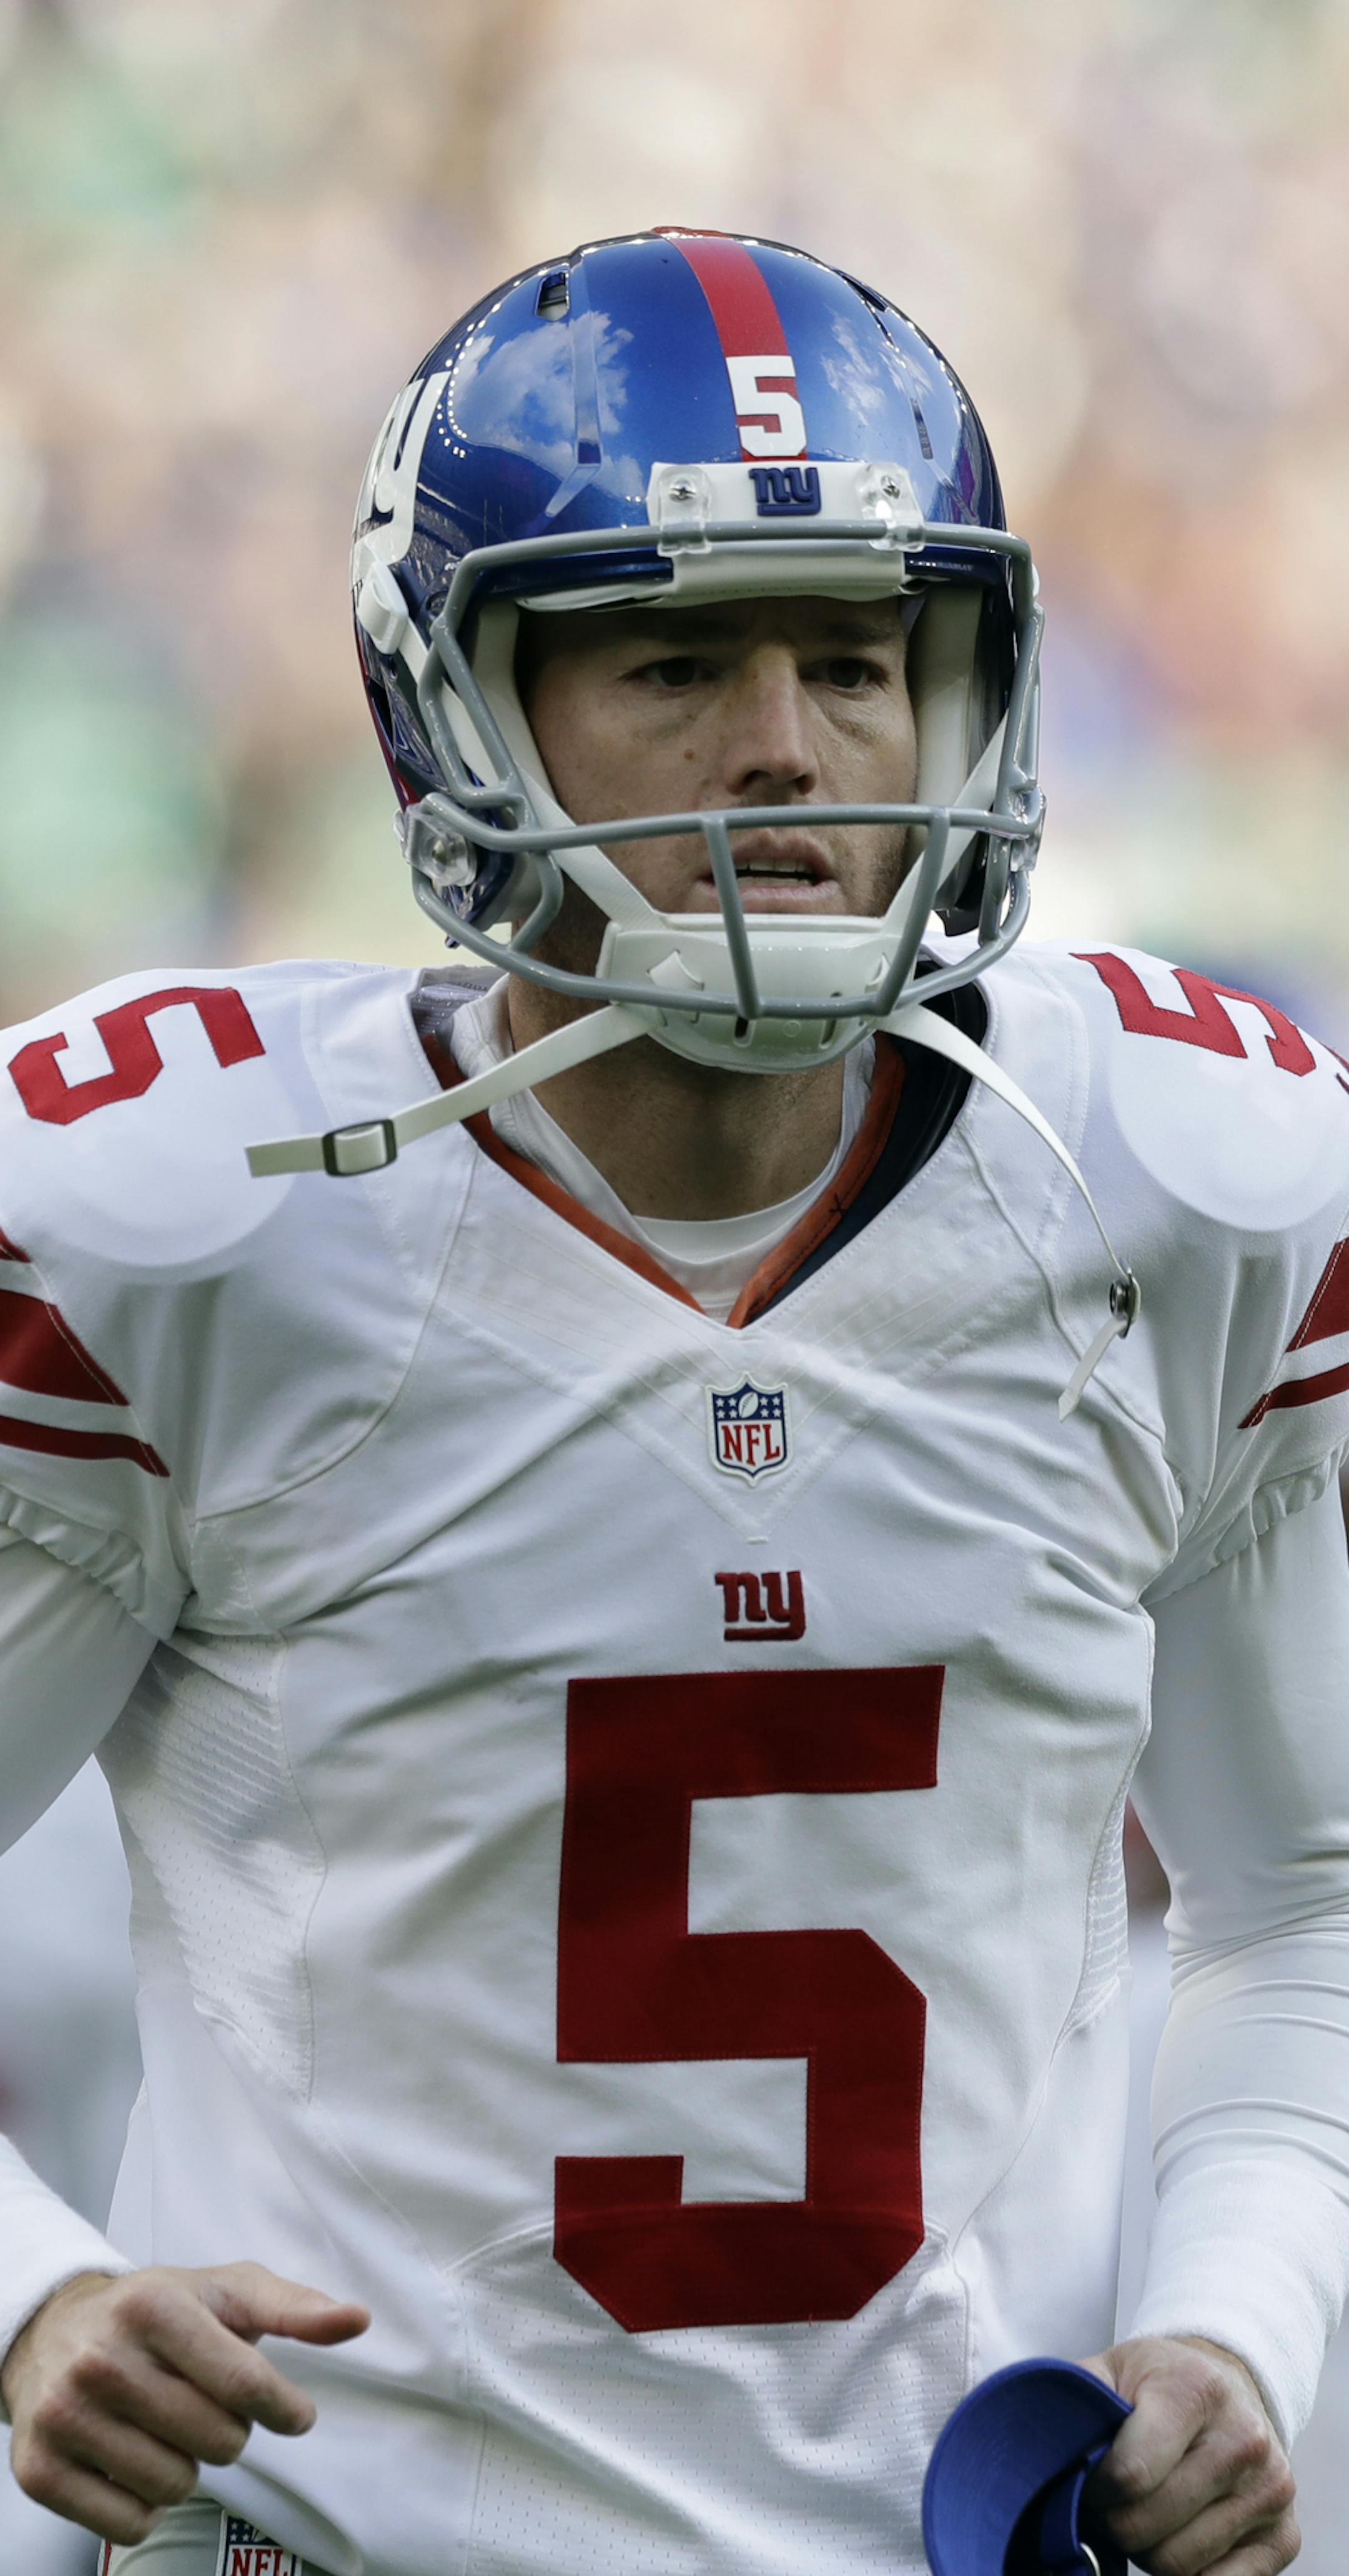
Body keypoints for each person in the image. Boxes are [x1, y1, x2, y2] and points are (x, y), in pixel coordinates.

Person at [0, 225, 1345, 2576]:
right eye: (676, 659)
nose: (786, 747)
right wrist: (36, 2298)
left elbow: (1303, 1894)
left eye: (856, 659)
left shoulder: (1173, 1182)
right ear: (460, 710)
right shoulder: (188, 1230)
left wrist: (1235, 2323)